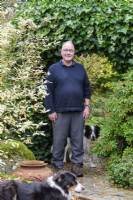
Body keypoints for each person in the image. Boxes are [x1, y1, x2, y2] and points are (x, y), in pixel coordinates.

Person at [45, 41, 91, 177]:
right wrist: (50, 110)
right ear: (61, 52)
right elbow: (47, 92)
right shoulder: (53, 69)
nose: (68, 53)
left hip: (78, 111)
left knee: (78, 141)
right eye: (65, 50)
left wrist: (87, 106)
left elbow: (87, 89)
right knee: (59, 140)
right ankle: (58, 167)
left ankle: (77, 166)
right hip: (59, 112)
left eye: (70, 50)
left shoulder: (80, 69)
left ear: (74, 52)